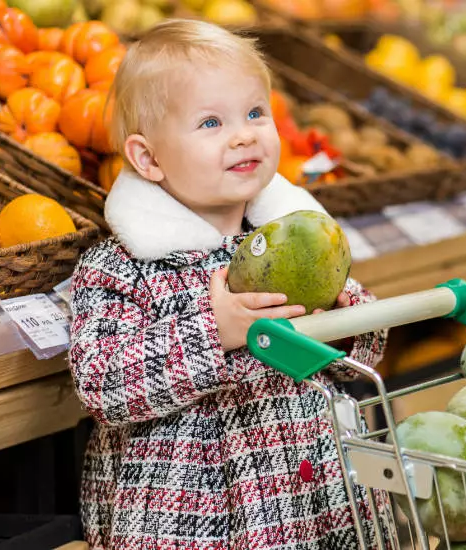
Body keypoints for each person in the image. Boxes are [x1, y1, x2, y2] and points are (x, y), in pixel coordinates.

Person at [66, 19, 390, 549]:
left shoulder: (293, 244)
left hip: (312, 499)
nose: (244, 134)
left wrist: (343, 315)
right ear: (147, 158)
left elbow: (364, 351)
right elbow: (102, 385)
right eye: (211, 122)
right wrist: (211, 329)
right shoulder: (119, 268)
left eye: (255, 113)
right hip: (188, 513)